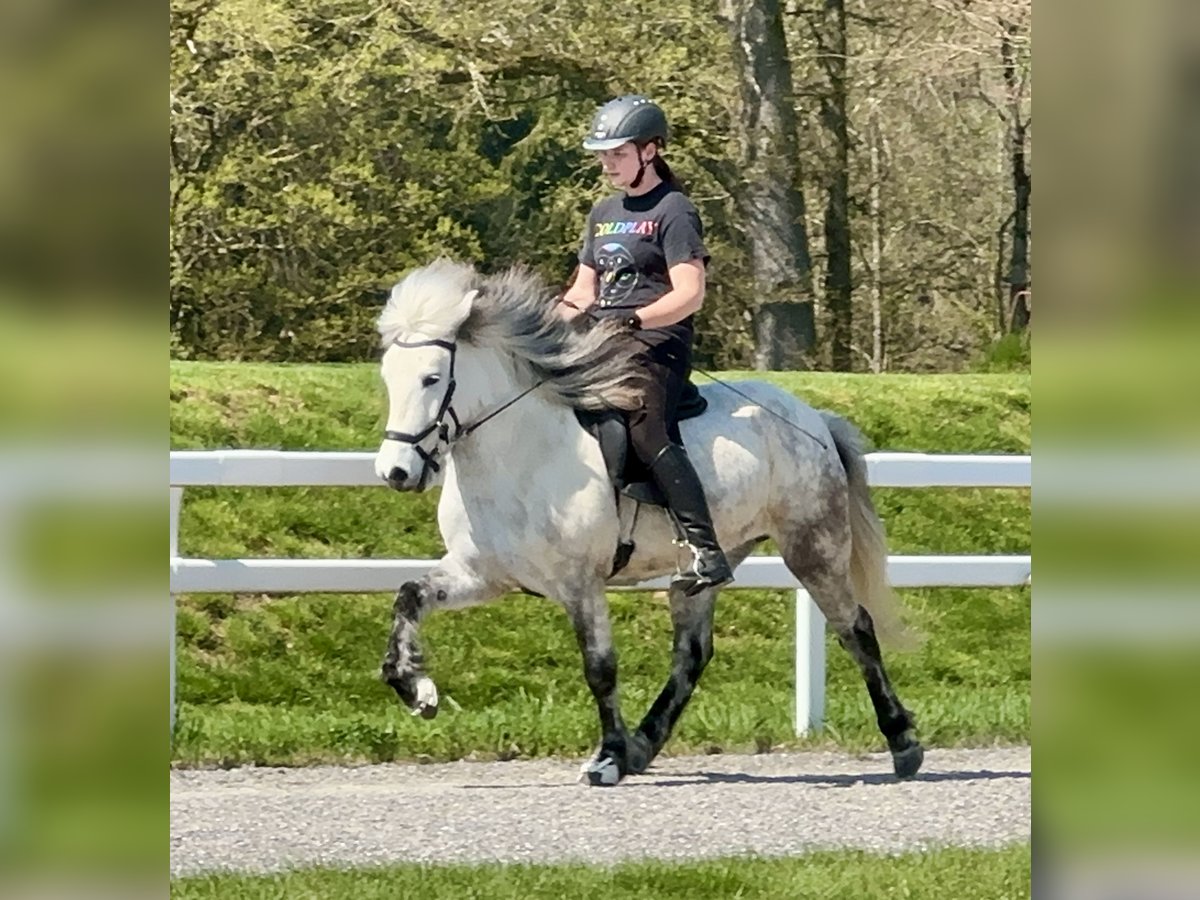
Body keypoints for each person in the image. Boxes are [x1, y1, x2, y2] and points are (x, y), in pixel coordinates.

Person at [558, 94, 733, 596]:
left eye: (617, 153)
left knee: (647, 431)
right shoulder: (603, 212)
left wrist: (634, 320)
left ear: (650, 151)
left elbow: (689, 294)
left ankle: (706, 550)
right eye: (603, 154)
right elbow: (582, 292)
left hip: (656, 343)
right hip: (603, 343)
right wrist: (543, 328)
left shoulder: (675, 211)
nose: (607, 162)